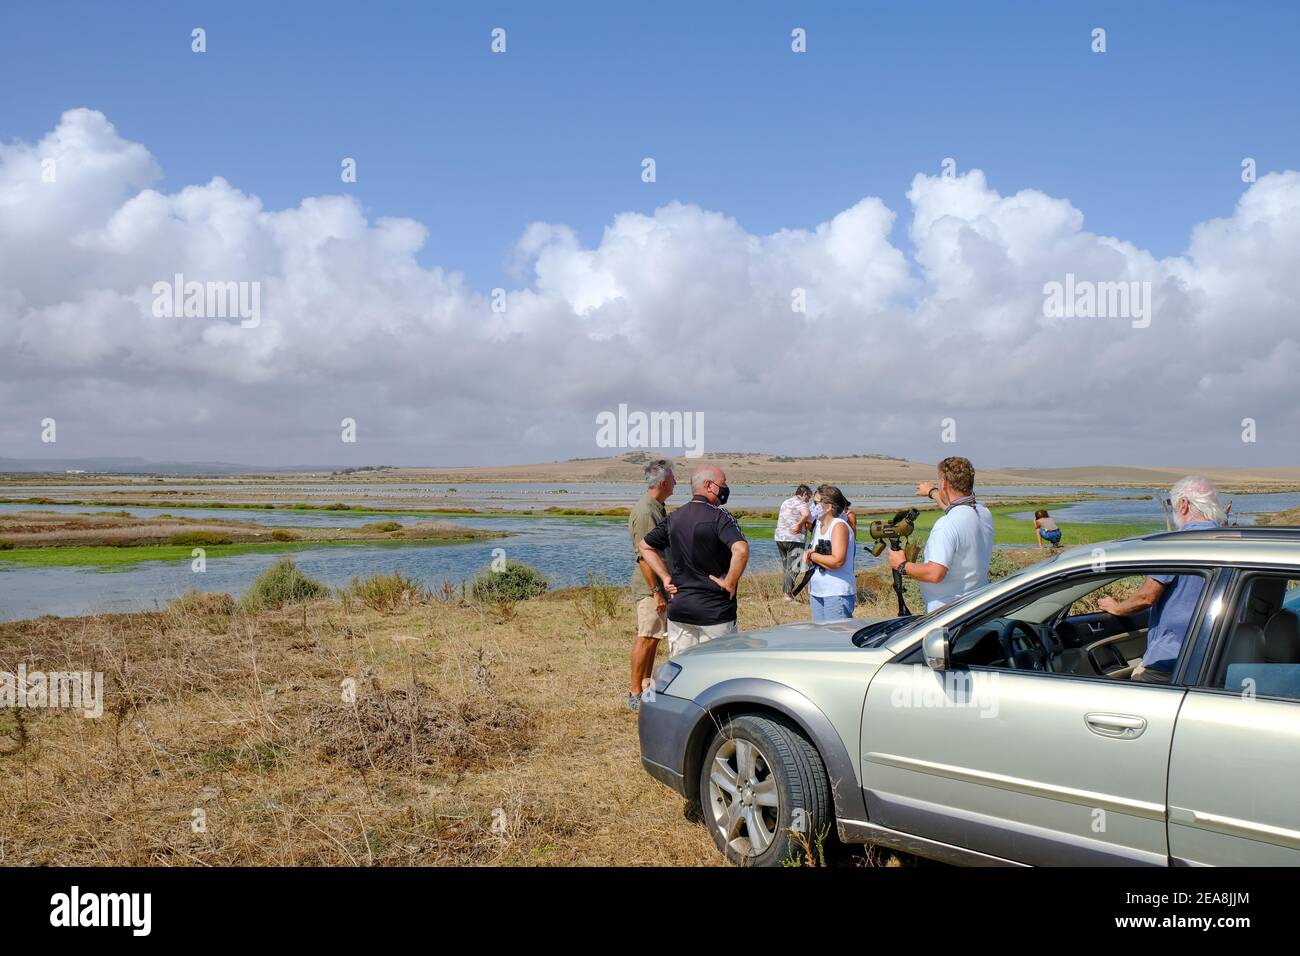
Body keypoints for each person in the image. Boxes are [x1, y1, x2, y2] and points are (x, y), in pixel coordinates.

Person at [1097, 476, 1223, 683]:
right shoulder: (1227, 540)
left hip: (1173, 657)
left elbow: (1146, 597)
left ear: (1183, 505)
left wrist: (1117, 608)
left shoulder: (1177, 544)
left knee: (1136, 687)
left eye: (1172, 504)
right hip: (1212, 655)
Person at [639, 466, 749, 657]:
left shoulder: (674, 517)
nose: (725, 488)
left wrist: (665, 577)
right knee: (719, 672)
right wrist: (729, 582)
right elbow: (741, 549)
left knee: (683, 670)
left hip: (681, 610)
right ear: (708, 485)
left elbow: (645, 546)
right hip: (715, 611)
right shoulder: (721, 517)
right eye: (722, 484)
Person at [887, 456, 995, 613]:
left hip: (948, 613)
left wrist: (902, 565)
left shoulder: (945, 525)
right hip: (977, 607)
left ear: (944, 483)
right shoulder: (983, 513)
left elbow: (934, 573)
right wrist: (932, 492)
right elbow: (957, 509)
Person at [626, 459, 676, 711]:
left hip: (656, 585)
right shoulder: (646, 511)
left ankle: (646, 688)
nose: (677, 483)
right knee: (646, 637)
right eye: (674, 479)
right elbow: (644, 556)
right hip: (649, 586)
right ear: (664, 483)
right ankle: (635, 692)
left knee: (654, 638)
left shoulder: (658, 506)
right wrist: (657, 591)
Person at [804, 485, 855, 622]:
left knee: (836, 638)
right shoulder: (818, 526)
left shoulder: (839, 526)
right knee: (823, 639)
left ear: (828, 507)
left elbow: (837, 561)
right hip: (817, 591)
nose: (812, 506)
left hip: (836, 592)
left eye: (816, 503)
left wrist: (811, 555)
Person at [774, 485, 812, 602]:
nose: (809, 500)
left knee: (786, 566)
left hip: (780, 537)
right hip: (794, 538)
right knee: (794, 566)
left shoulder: (786, 502)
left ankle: (787, 592)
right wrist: (800, 525)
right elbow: (806, 514)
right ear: (804, 494)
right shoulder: (801, 503)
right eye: (808, 496)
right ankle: (787, 595)